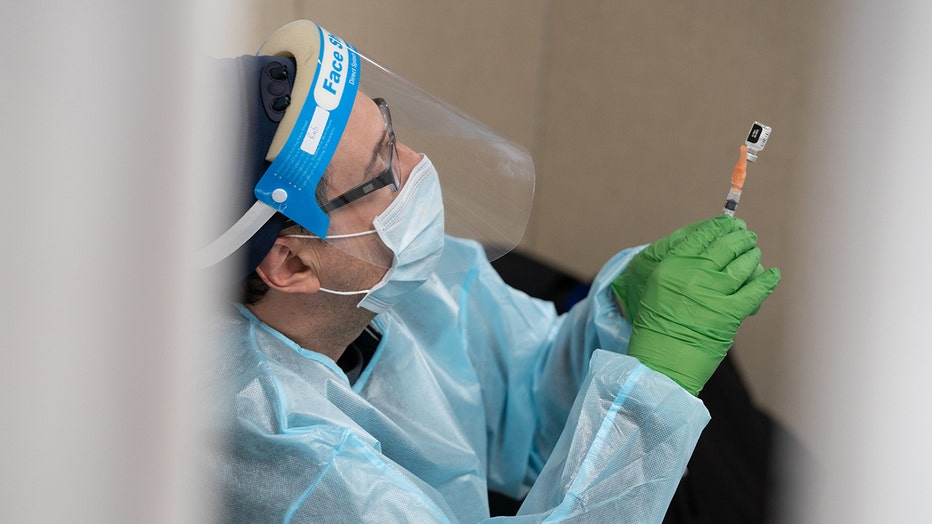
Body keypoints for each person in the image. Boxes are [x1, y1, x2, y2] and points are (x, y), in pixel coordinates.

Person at [199, 20, 781, 523]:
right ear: (294, 262)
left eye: (391, 132)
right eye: (383, 170)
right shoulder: (282, 457)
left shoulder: (390, 283)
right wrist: (653, 389)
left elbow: (525, 395)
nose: (418, 166)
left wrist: (625, 310)